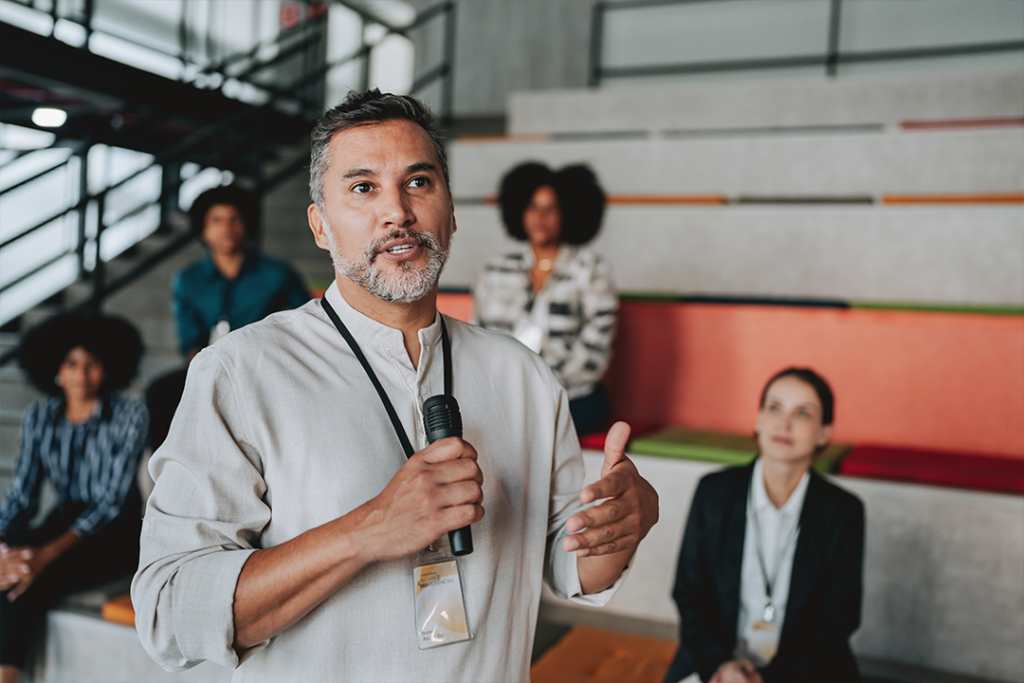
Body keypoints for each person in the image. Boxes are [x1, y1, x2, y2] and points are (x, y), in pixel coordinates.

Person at [132, 89, 659, 682]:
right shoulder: (240, 371)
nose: (398, 212)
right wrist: (368, 531)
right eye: (363, 188)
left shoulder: (525, 377)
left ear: (451, 210)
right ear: (320, 225)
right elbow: (170, 612)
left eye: (419, 182)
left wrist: (622, 526)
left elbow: (571, 571)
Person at [664, 368, 864, 683]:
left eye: (802, 413)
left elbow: (839, 619)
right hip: (718, 663)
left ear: (824, 433)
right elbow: (690, 594)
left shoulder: (843, 512)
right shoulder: (713, 493)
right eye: (774, 408)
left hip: (803, 671)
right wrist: (721, 666)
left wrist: (770, 678)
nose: (784, 423)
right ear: (758, 418)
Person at [0, 313, 148, 683]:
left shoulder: (130, 413)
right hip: (64, 517)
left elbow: (110, 502)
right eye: (71, 363)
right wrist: (3, 546)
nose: (81, 373)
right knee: (11, 571)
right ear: (55, 369)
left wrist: (44, 554)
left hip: (117, 530)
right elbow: (23, 495)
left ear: (109, 367)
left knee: (32, 583)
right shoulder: (41, 416)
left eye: (92, 363)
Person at [474, 162, 617, 435]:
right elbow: (479, 338)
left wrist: (542, 390)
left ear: (570, 213)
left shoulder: (592, 269)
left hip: (573, 396)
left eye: (551, 208)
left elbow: (596, 347)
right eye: (532, 206)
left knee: (530, 428)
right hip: (507, 395)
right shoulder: (495, 270)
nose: (540, 216)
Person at [173, 184, 310, 362]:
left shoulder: (278, 274)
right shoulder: (188, 280)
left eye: (234, 218)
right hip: (211, 366)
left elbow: (307, 324)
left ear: (247, 224)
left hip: (266, 364)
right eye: (216, 220)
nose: (226, 227)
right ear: (203, 230)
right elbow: (190, 343)